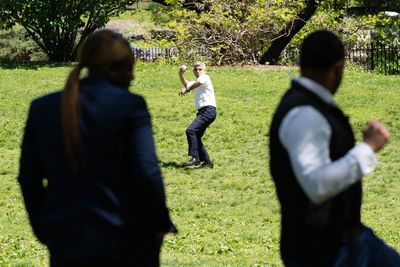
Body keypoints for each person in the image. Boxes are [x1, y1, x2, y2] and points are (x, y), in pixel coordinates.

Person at [18, 29, 176, 267]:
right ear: (120, 68)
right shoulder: (130, 106)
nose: (132, 78)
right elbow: (147, 171)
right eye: (130, 68)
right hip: (126, 236)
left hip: (68, 239)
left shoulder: (42, 108)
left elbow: (29, 178)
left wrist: (44, 228)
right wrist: (160, 224)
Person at [269, 30, 400, 267]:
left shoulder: (310, 104)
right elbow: (316, 185)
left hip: (346, 238)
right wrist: (368, 148)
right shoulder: (305, 114)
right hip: (322, 252)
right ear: (339, 67)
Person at [178, 61, 216, 168]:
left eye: (200, 69)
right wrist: (180, 74)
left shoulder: (205, 78)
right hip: (203, 112)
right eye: (196, 69)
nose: (198, 71)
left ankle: (195, 158)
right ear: (193, 71)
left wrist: (187, 89)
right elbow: (187, 84)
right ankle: (207, 162)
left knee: (190, 130)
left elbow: (195, 84)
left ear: (204, 70)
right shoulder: (196, 81)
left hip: (208, 110)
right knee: (196, 136)